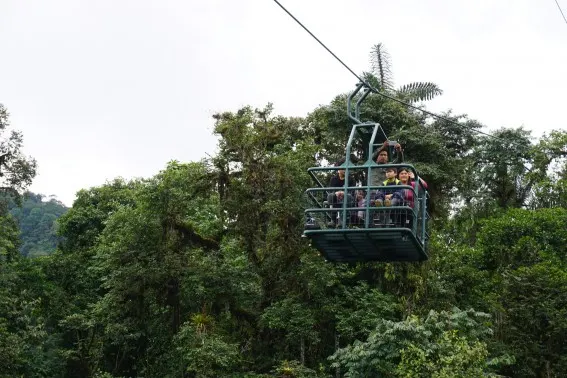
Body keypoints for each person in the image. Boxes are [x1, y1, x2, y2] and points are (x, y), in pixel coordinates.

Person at [326, 159, 356, 228]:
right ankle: (333, 220)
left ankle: (342, 221)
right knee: (331, 196)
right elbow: (331, 190)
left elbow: (352, 191)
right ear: (338, 169)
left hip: (347, 197)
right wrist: (336, 193)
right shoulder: (333, 179)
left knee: (347, 196)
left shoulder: (351, 179)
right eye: (342, 168)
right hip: (336, 197)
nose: (344, 170)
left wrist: (343, 193)